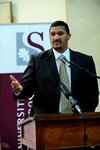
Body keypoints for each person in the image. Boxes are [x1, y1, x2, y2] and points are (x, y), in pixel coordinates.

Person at [10, 20, 99, 116]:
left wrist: (85, 114)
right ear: (49, 36)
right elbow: (28, 89)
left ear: (69, 36)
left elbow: (92, 93)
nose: (56, 37)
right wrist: (19, 90)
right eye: (52, 34)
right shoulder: (37, 60)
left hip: (77, 120)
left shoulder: (85, 61)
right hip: (46, 121)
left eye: (60, 34)